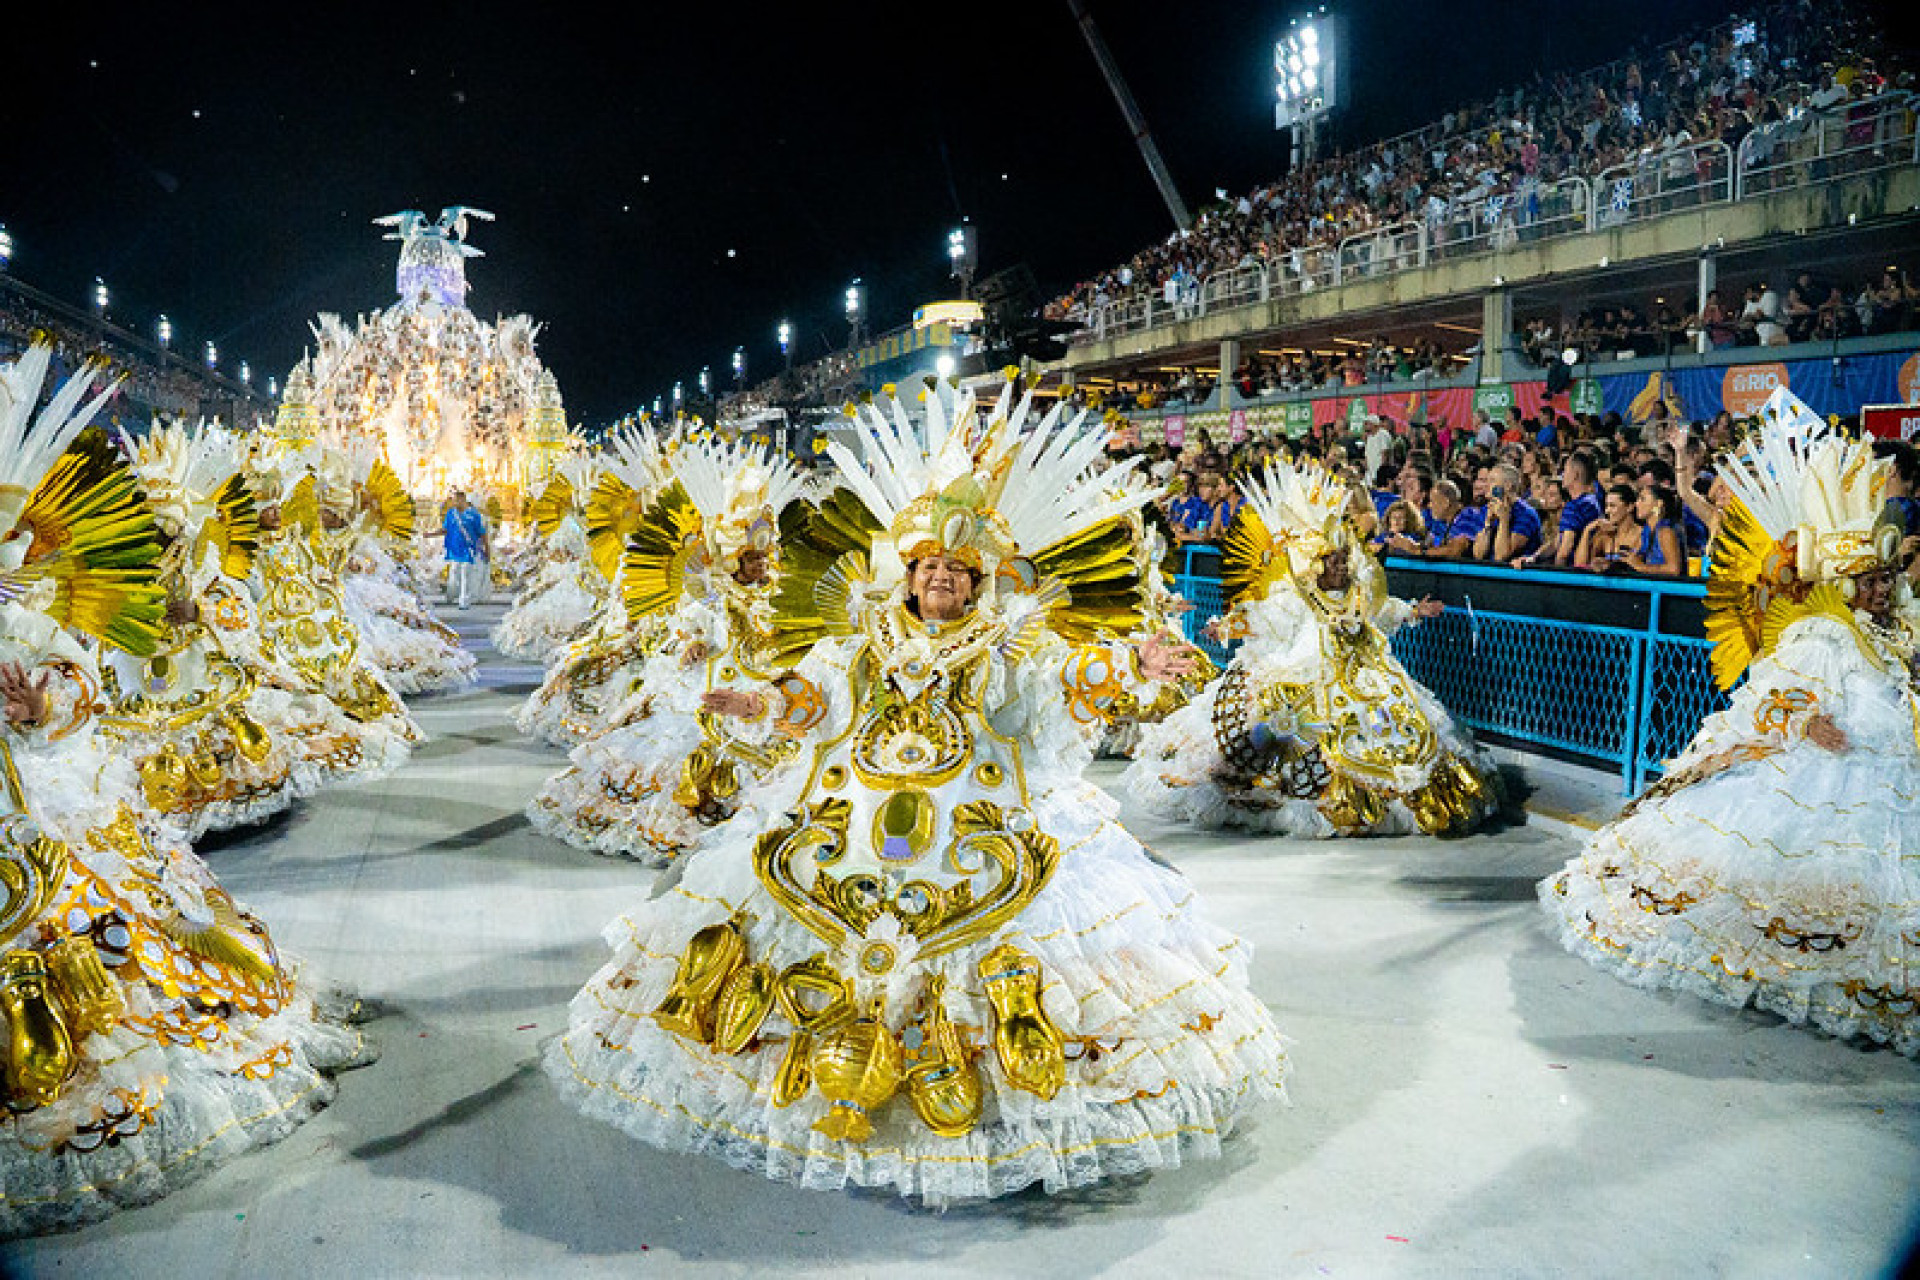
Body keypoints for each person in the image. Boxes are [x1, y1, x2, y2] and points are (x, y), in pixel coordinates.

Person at [546, 383, 1288, 1202]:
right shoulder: (860, 642)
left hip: (979, 810)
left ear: (976, 584)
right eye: (930, 566)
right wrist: (757, 702)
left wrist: (1125, 665)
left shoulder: (1001, 648)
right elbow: (812, 696)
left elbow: (1049, 688)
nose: (942, 579)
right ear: (907, 574)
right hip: (849, 812)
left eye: (957, 571)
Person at [1542, 389, 1919, 1056]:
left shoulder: (1893, 632)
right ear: (1847, 584)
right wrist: (1807, 727)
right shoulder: (1823, 632)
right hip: (1821, 774)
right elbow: (1775, 695)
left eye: (1887, 580)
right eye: (1872, 582)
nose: (1884, 591)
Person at [1124, 458, 1499, 837]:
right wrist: (1224, 627)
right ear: (1316, 566)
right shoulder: (1296, 595)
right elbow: (1263, 615)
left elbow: (1379, 610)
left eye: (1342, 560)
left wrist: (1415, 610)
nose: (1339, 567)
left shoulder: (1356, 590)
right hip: (1310, 670)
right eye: (1331, 561)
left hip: (1367, 674)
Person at [1573, 483, 1644, 569]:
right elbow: (1580, 565)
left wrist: (1610, 565)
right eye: (1606, 506)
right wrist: (1587, 530)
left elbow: (1641, 567)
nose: (1607, 511)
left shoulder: (1642, 535)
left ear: (1629, 507)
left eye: (1612, 506)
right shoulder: (1604, 534)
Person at [441, 487, 489, 610]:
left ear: (464, 500)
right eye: (454, 501)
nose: (456, 503)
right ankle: (452, 593)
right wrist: (430, 535)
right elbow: (445, 529)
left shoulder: (474, 515)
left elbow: (482, 532)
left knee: (466, 574)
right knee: (455, 571)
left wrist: (486, 548)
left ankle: (464, 600)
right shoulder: (451, 514)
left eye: (458, 500)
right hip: (455, 549)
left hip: (470, 549)